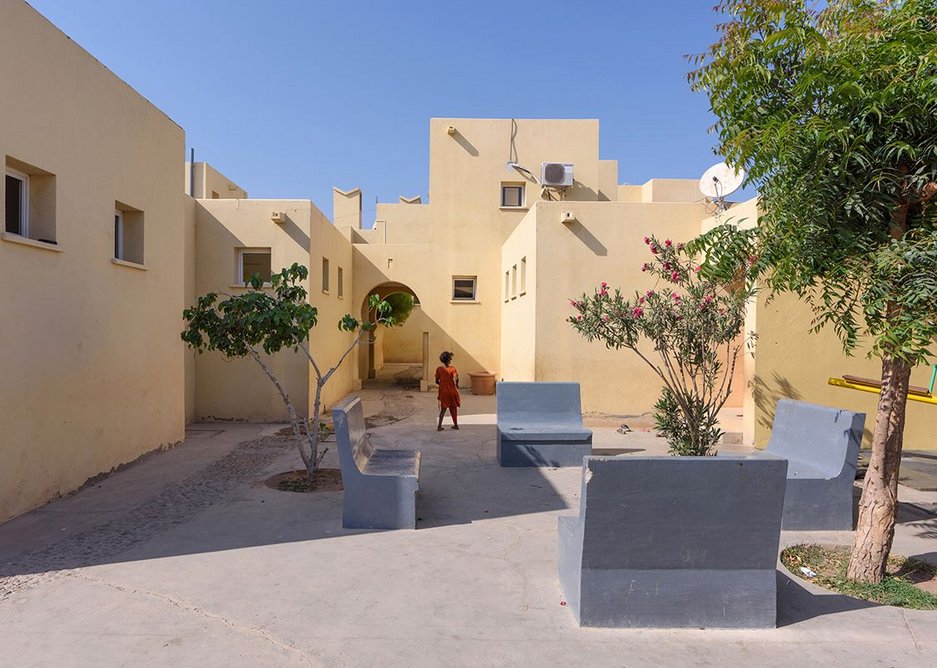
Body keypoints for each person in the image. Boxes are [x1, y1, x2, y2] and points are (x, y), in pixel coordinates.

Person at [435, 350, 461, 431]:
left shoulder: (439, 369)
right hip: (452, 391)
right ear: (449, 360)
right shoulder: (452, 369)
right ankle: (456, 425)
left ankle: (439, 426)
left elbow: (436, 381)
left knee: (443, 409)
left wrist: (442, 385)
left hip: (444, 392)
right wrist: (456, 385)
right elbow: (456, 378)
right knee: (453, 408)